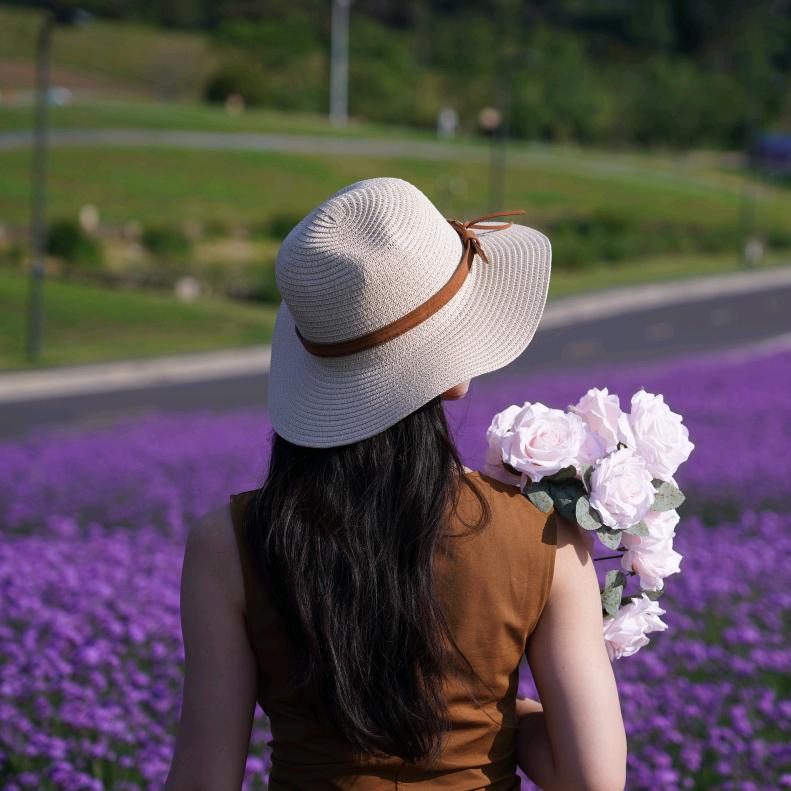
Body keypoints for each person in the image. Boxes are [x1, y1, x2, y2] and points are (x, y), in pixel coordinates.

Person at [164, 177, 627, 790]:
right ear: (453, 375)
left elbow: (204, 778)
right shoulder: (545, 538)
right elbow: (593, 780)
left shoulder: (226, 544)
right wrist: (489, 713)